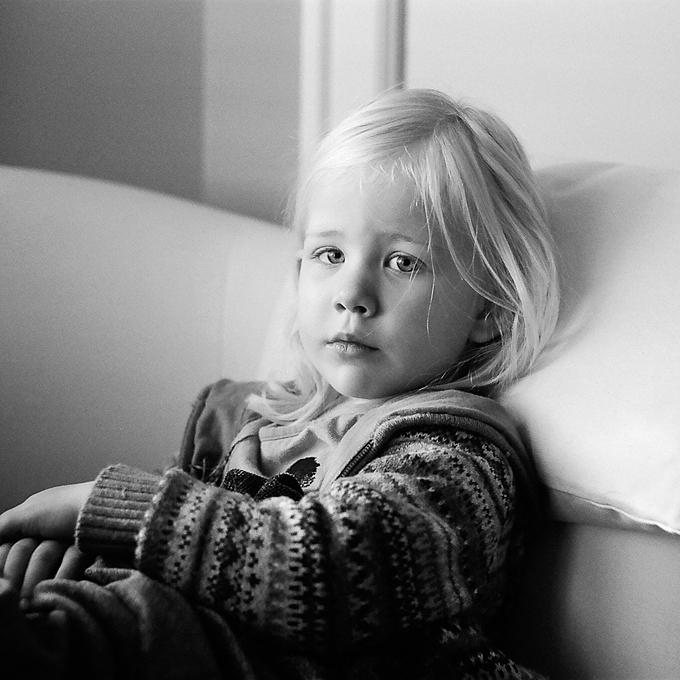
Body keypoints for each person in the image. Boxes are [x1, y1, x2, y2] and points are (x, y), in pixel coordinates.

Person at [0, 88, 559, 679]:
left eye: (403, 262)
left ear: (489, 309)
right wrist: (86, 551)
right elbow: (163, 559)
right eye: (330, 255)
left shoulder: (457, 459)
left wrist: (106, 507)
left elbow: (333, 573)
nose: (352, 295)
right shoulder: (243, 422)